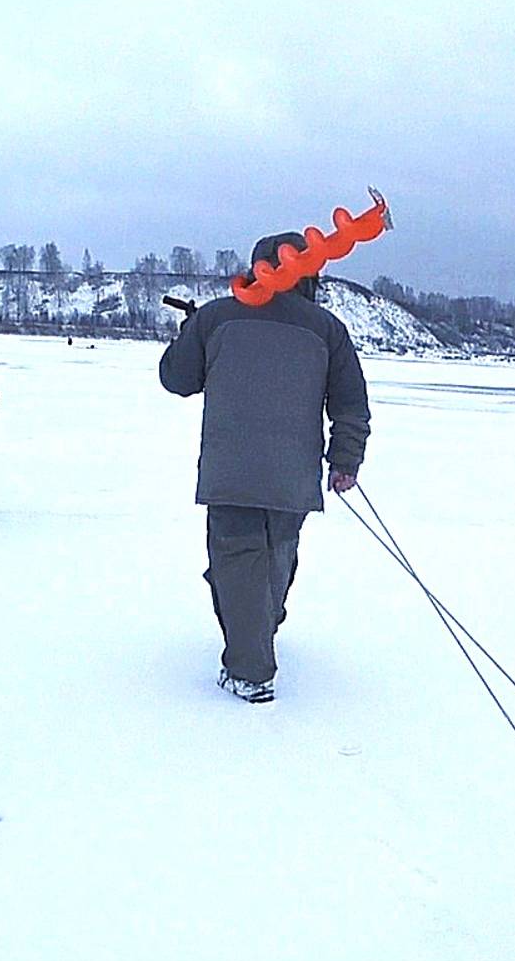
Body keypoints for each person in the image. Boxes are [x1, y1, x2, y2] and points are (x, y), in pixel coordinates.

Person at [159, 233, 371, 704]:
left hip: (230, 473)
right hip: (293, 477)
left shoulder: (216, 317)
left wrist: (190, 333)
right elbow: (351, 404)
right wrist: (345, 460)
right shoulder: (327, 328)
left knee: (236, 566)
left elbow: (176, 379)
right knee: (275, 559)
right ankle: (259, 634)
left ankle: (251, 669)